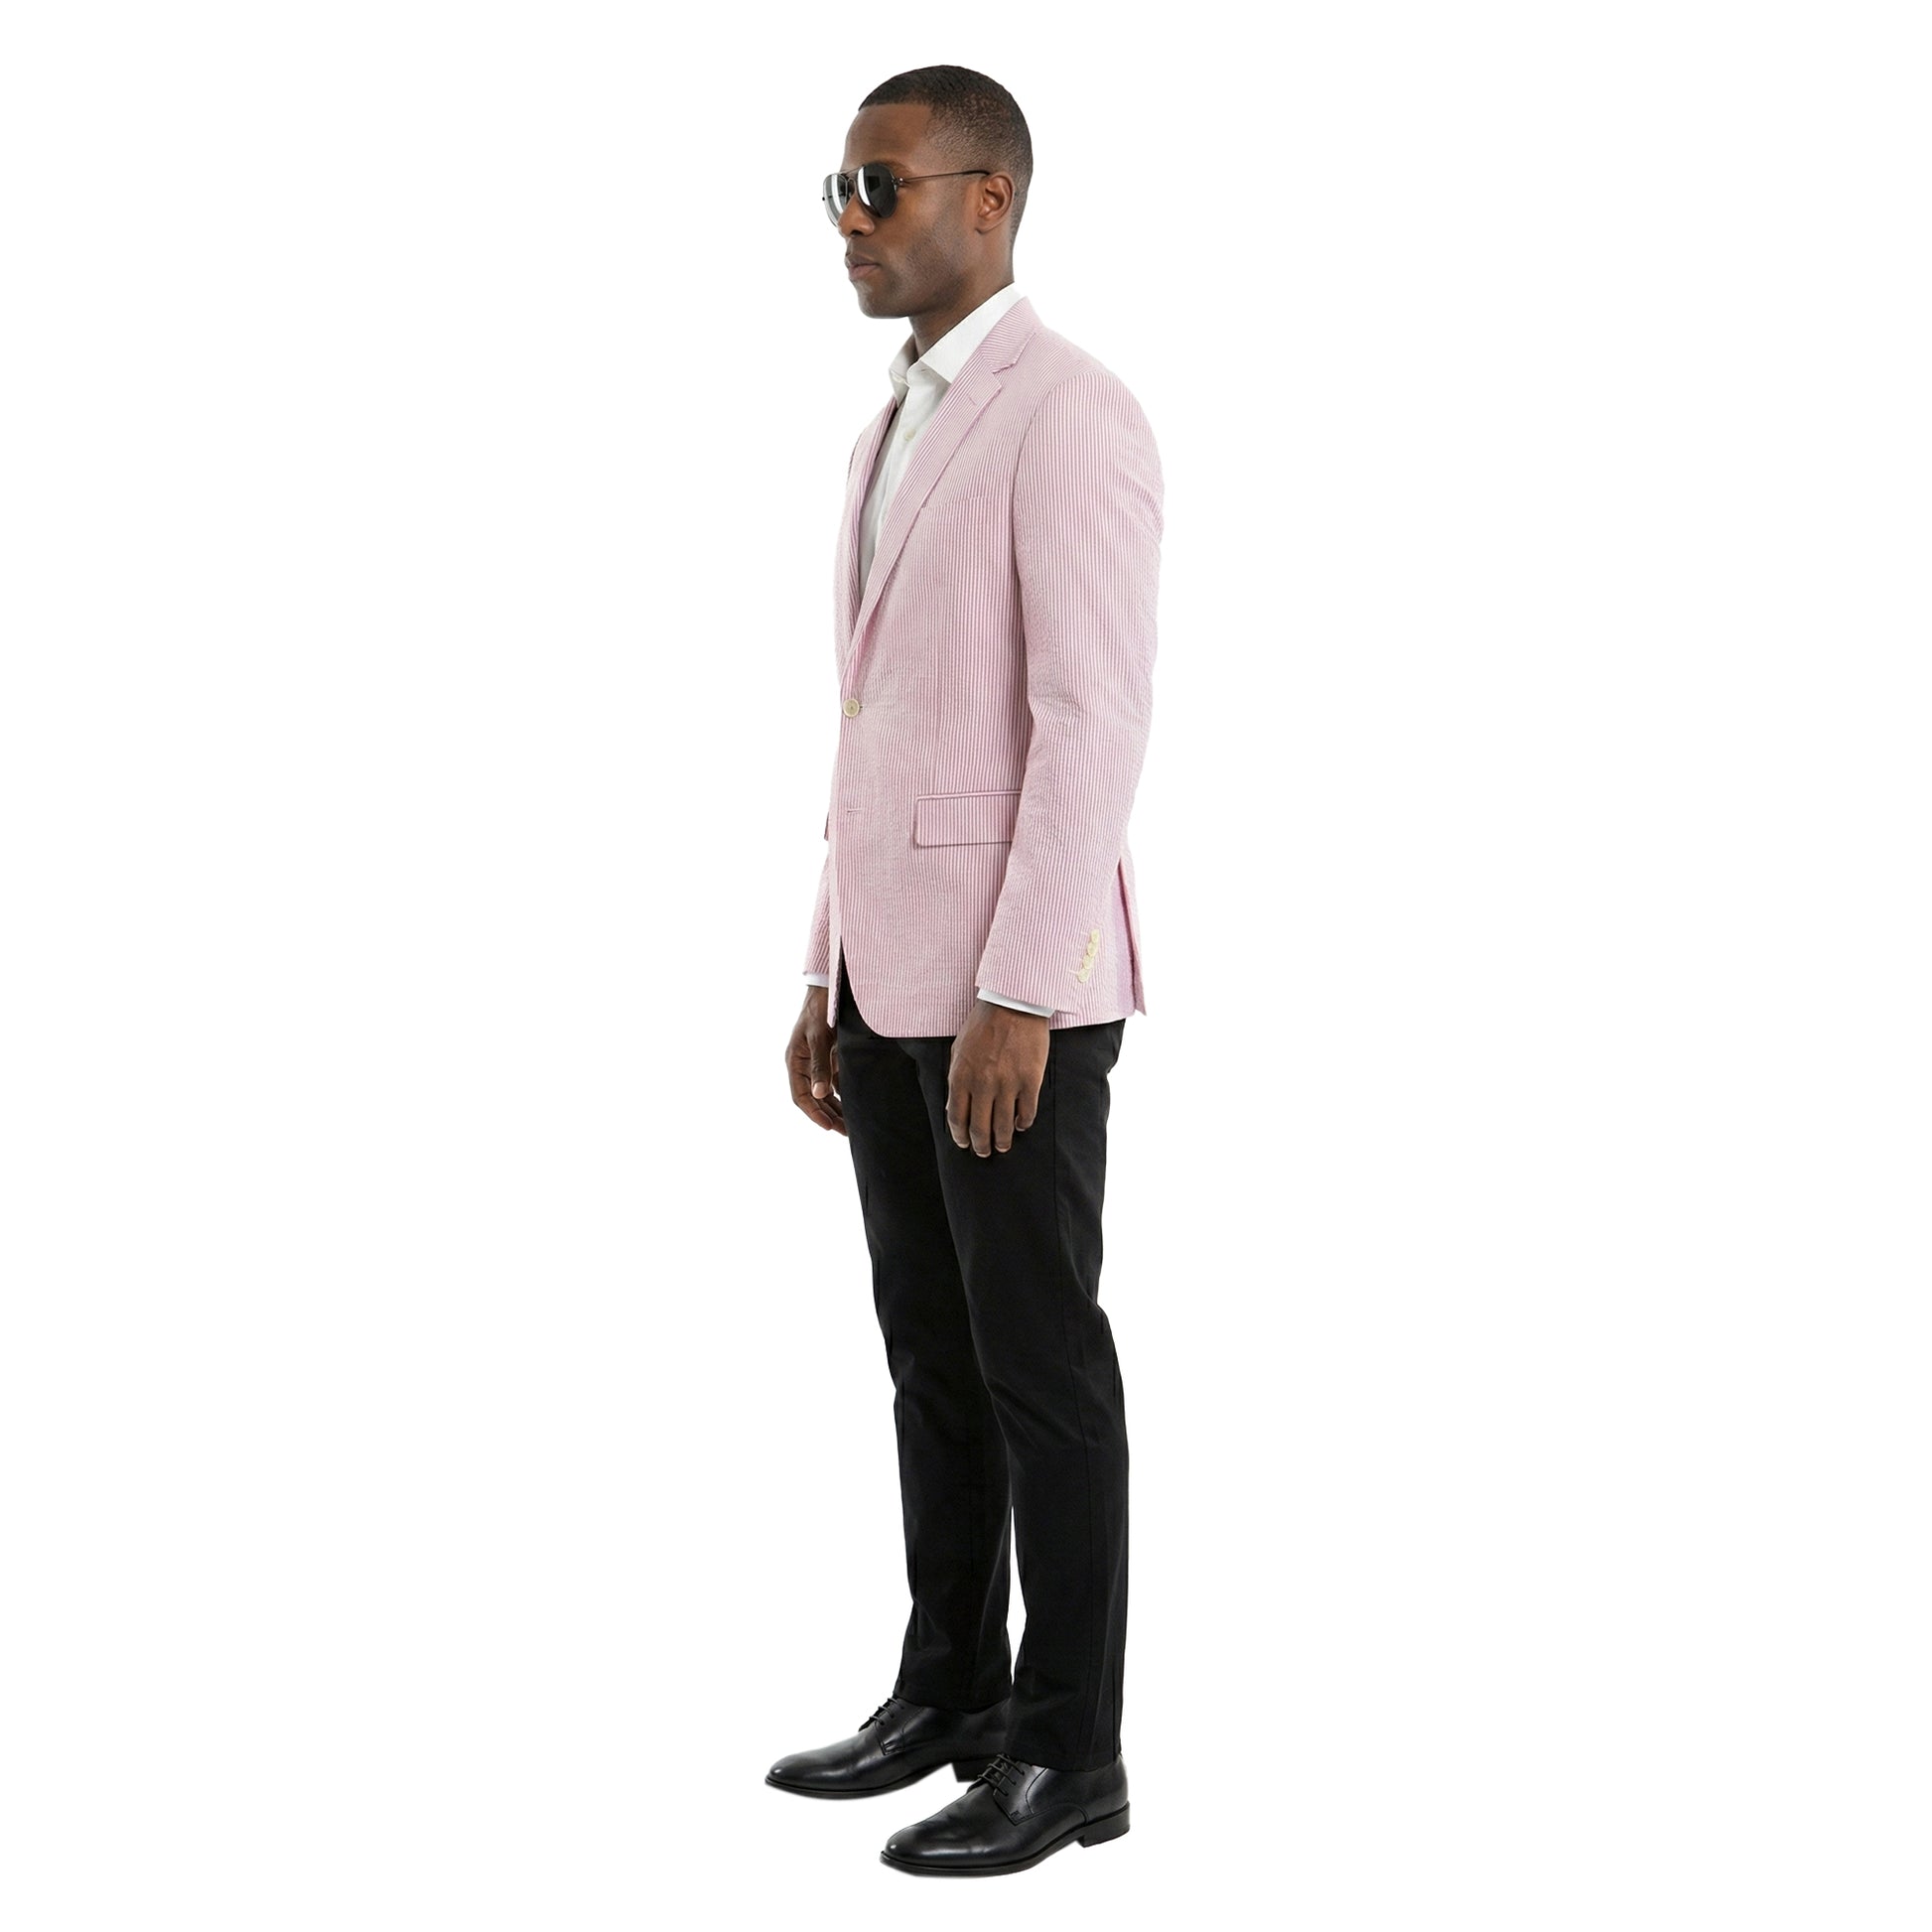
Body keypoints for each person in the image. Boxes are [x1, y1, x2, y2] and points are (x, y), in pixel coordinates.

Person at [774, 65, 1163, 1879]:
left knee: (1038, 1365)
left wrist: (1021, 986)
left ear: (987, 199)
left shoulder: (1068, 415)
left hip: (1018, 993)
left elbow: (1091, 721)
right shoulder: (887, 427)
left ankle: (1068, 1750)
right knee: (929, 1354)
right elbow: (879, 725)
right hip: (889, 974)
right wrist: (826, 967)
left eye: (882, 185)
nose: (850, 220)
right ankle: (948, 1690)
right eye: (838, 190)